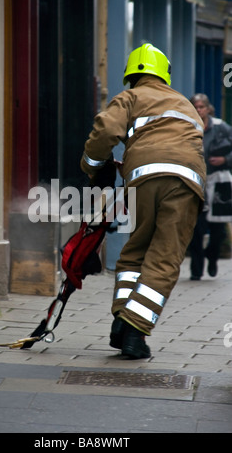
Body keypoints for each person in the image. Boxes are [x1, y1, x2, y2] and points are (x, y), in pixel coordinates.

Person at [80, 43, 206, 359]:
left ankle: (122, 323)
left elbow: (108, 128)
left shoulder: (131, 96)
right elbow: (186, 140)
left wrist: (94, 167)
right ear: (163, 74)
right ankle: (134, 332)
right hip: (185, 182)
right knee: (164, 257)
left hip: (143, 179)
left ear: (131, 75)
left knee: (135, 251)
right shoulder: (185, 104)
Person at [189, 93, 232, 280]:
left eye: (202, 107)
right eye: (195, 107)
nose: (199, 110)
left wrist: (225, 159)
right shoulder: (186, 127)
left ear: (208, 108)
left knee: (218, 230)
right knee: (196, 228)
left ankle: (213, 256)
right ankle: (196, 269)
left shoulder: (221, 127)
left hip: (218, 181)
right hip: (195, 182)